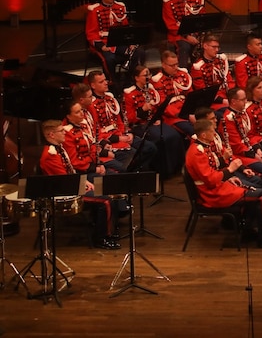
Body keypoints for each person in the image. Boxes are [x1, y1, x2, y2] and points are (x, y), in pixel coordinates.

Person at [185, 118, 262, 249]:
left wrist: (228, 177)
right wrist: (230, 170)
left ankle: (247, 230)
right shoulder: (196, 152)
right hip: (212, 195)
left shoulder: (204, 146)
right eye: (212, 131)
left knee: (256, 191)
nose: (215, 133)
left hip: (219, 187)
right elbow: (210, 179)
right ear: (203, 135)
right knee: (261, 196)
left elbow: (213, 169)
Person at [39, 120, 122, 250]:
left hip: (71, 184)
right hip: (65, 191)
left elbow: (70, 171)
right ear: (51, 135)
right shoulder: (50, 155)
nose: (64, 133)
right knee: (105, 200)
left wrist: (85, 182)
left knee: (106, 187)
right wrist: (82, 184)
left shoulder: (59, 148)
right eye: (61, 131)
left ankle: (107, 228)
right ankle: (101, 238)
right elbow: (64, 179)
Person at [86, 69, 159, 173]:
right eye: (101, 82)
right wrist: (118, 138)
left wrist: (127, 133)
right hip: (110, 140)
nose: (106, 83)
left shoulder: (110, 99)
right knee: (134, 157)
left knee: (150, 148)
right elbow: (96, 131)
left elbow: (119, 121)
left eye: (105, 80)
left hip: (121, 135)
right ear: (93, 85)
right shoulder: (91, 106)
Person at [123, 64, 186, 176]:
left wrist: (156, 118)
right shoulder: (129, 94)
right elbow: (130, 118)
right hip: (140, 125)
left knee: (175, 135)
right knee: (163, 138)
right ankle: (164, 172)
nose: (148, 78)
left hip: (154, 122)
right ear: (136, 78)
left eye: (149, 75)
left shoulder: (151, 90)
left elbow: (158, 107)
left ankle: (177, 168)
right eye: (144, 76)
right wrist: (142, 110)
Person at [85, 0, 142, 82]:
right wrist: (101, 46)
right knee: (109, 59)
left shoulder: (120, 8)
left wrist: (130, 43)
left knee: (138, 53)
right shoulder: (95, 11)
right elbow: (91, 33)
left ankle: (129, 80)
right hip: (104, 43)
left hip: (120, 43)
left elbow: (126, 28)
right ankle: (113, 82)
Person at [161, 0, 204, 68]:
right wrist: (187, 36)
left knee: (207, 45)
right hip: (178, 35)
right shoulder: (169, 3)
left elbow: (202, 19)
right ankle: (182, 73)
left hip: (196, 34)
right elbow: (171, 25)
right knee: (185, 47)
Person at [152, 50, 195, 136]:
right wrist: (186, 115)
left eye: (177, 64)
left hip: (188, 111)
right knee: (193, 130)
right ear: (163, 65)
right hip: (173, 117)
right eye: (172, 65)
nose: (176, 67)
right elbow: (164, 106)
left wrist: (193, 112)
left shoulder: (182, 74)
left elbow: (191, 95)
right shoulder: (157, 81)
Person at [190, 33, 231, 108]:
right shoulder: (198, 67)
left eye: (218, 47)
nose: (217, 50)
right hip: (213, 102)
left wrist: (233, 96)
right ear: (205, 46)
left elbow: (229, 80)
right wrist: (223, 101)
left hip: (228, 96)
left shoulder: (221, 60)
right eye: (214, 47)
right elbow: (203, 92)